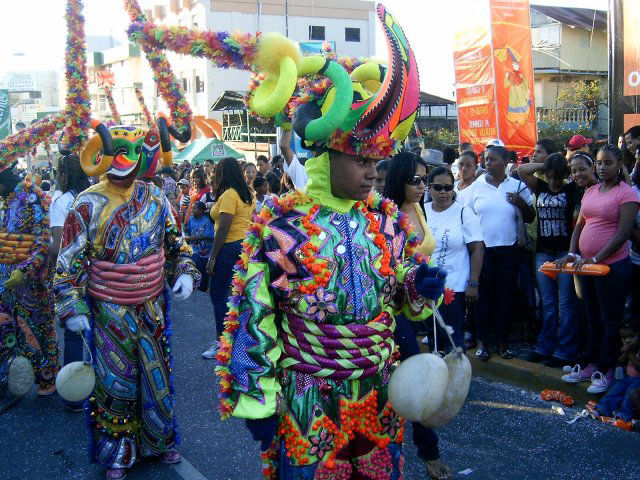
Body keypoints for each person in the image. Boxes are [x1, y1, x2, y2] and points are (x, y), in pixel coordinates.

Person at [215, 13, 449, 479]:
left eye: (377, 163)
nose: (372, 173)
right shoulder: (284, 225)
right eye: (361, 160)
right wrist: (257, 402)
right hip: (308, 395)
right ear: (325, 153)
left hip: (379, 391)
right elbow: (254, 316)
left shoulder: (385, 221)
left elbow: (402, 298)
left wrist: (419, 285)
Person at [54, 122, 200, 480]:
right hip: (108, 307)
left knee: (156, 374)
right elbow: (69, 260)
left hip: (150, 303)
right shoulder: (86, 203)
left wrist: (183, 269)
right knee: (115, 378)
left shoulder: (155, 197)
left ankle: (156, 440)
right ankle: (117, 449)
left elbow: (175, 242)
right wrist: (72, 305)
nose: (131, 161)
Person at [383, 153, 452, 478]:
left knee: (433, 367)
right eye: (416, 180)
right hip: (389, 311)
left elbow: (421, 256)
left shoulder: (419, 208)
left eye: (425, 179)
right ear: (400, 180)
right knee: (415, 375)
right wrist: (411, 278)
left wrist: (427, 278)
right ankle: (429, 453)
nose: (422, 186)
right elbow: (385, 267)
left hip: (420, 304)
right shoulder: (388, 215)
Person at [558, 144, 640, 393]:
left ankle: (608, 371)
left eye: (608, 163)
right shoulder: (591, 191)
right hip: (586, 266)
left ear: (619, 165)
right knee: (591, 318)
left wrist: (598, 258)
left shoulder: (627, 194)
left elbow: (624, 232)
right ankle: (589, 363)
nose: (603, 168)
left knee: (609, 320)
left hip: (612, 266)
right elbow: (580, 226)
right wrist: (574, 253)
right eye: (600, 163)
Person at [464, 145, 535, 360]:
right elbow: (466, 216)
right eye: (486, 159)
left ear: (505, 162)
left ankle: (503, 344)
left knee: (505, 298)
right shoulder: (476, 187)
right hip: (482, 252)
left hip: (509, 251)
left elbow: (531, 217)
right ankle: (484, 342)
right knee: (483, 299)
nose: (488, 163)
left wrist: (521, 203)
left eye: (493, 159)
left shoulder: (517, 185)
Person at [0, 164, 58, 410]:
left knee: (39, 328)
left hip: (31, 282)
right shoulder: (9, 200)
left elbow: (44, 241)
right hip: (7, 281)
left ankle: (48, 378)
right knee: (11, 330)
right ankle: (16, 377)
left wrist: (25, 270)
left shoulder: (32, 198)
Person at [518, 154, 580, 367]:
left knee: (565, 304)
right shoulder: (541, 186)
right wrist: (548, 164)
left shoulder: (571, 189)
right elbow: (522, 170)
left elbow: (589, 180)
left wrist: (562, 165)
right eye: (550, 177)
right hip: (543, 253)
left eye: (558, 177)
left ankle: (565, 350)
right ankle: (545, 347)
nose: (553, 182)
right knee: (548, 303)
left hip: (565, 253)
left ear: (564, 175)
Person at [48, 154, 91, 411]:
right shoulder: (94, 194)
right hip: (100, 275)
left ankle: (74, 396)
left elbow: (56, 246)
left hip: (73, 278)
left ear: (64, 175)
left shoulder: (62, 201)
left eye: (57, 173)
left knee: (75, 336)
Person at [426, 166, 484, 350]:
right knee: (434, 340)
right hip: (425, 288)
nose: (443, 192)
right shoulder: (422, 210)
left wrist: (473, 283)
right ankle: (437, 378)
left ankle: (456, 378)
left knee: (453, 341)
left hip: (453, 289)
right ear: (429, 187)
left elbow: (478, 249)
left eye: (448, 188)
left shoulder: (463, 212)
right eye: (437, 187)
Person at [202, 157, 255, 359]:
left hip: (228, 247)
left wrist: (212, 257)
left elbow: (223, 228)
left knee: (219, 295)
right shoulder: (247, 194)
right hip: (244, 246)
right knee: (239, 295)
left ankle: (222, 342)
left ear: (224, 173)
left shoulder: (229, 195)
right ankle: (238, 339)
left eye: (218, 171)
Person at [593, 323, 640, 421]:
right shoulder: (629, 347)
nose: (627, 340)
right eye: (624, 337)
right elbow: (621, 362)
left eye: (631, 336)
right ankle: (603, 408)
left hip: (637, 380)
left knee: (628, 397)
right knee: (615, 391)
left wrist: (630, 353)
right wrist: (624, 355)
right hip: (627, 377)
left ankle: (624, 415)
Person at [185, 201, 215, 292]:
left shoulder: (207, 221)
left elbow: (209, 236)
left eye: (194, 208)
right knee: (194, 265)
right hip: (194, 249)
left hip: (205, 249)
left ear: (201, 211)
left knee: (203, 268)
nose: (192, 210)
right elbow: (188, 232)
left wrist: (192, 238)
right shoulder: (191, 219)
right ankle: (193, 285)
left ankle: (203, 287)